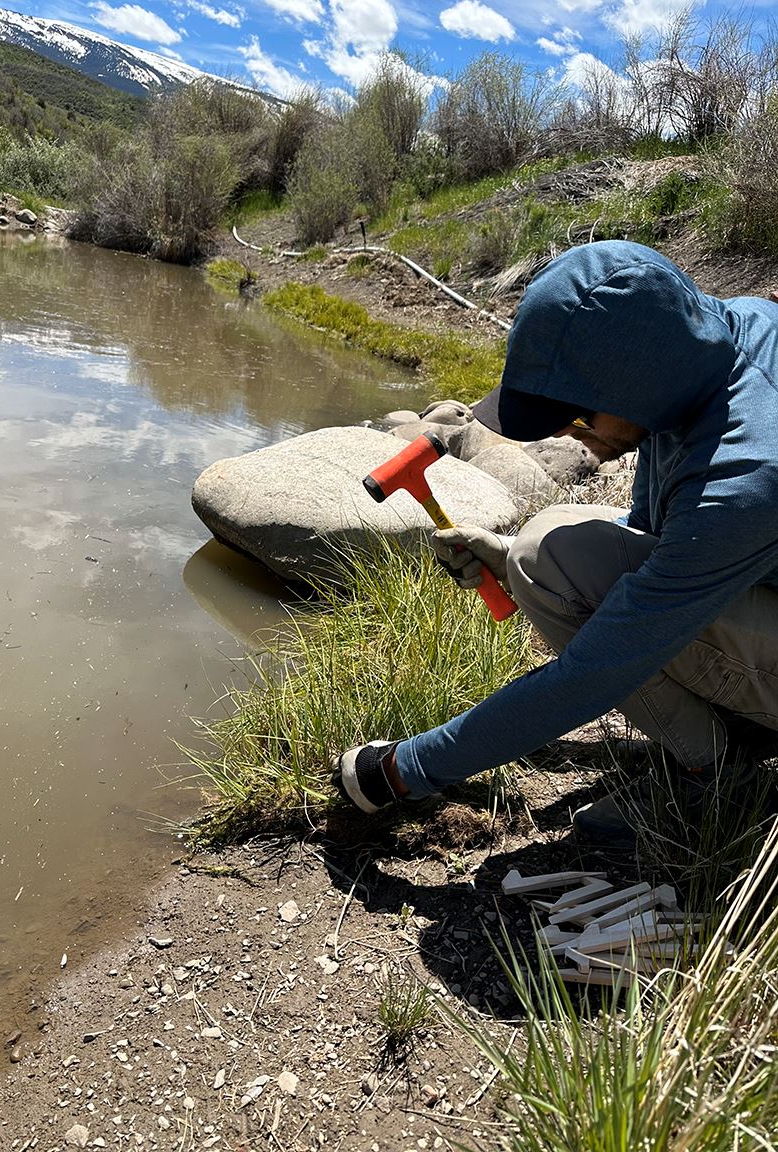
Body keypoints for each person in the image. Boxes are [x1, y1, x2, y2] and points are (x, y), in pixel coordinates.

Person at [332, 239, 778, 845]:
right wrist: (508, 554)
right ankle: (735, 726)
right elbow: (662, 536)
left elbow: (595, 673)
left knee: (551, 558)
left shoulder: (748, 471)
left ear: (640, 385)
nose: (572, 434)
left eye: (581, 417)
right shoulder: (714, 349)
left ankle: (717, 776)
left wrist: (404, 770)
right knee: (538, 553)